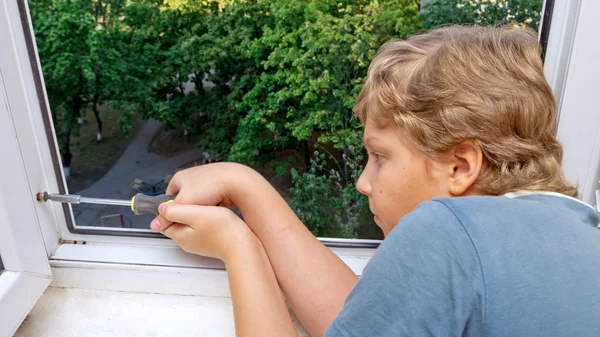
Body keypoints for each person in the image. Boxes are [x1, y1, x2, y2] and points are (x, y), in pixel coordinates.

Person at [149, 25, 600, 337]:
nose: (364, 183)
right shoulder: (577, 228)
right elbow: (364, 320)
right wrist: (245, 186)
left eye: (380, 157)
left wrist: (236, 244)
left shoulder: (445, 229)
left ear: (461, 166)